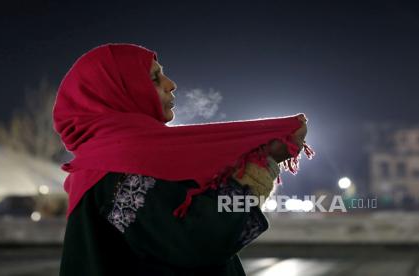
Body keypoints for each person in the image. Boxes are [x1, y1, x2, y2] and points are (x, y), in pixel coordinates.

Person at [53, 43, 313, 276]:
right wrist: (261, 166)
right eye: (155, 78)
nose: (170, 84)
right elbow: (201, 238)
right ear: (119, 93)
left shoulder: (135, 161)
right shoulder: (116, 173)